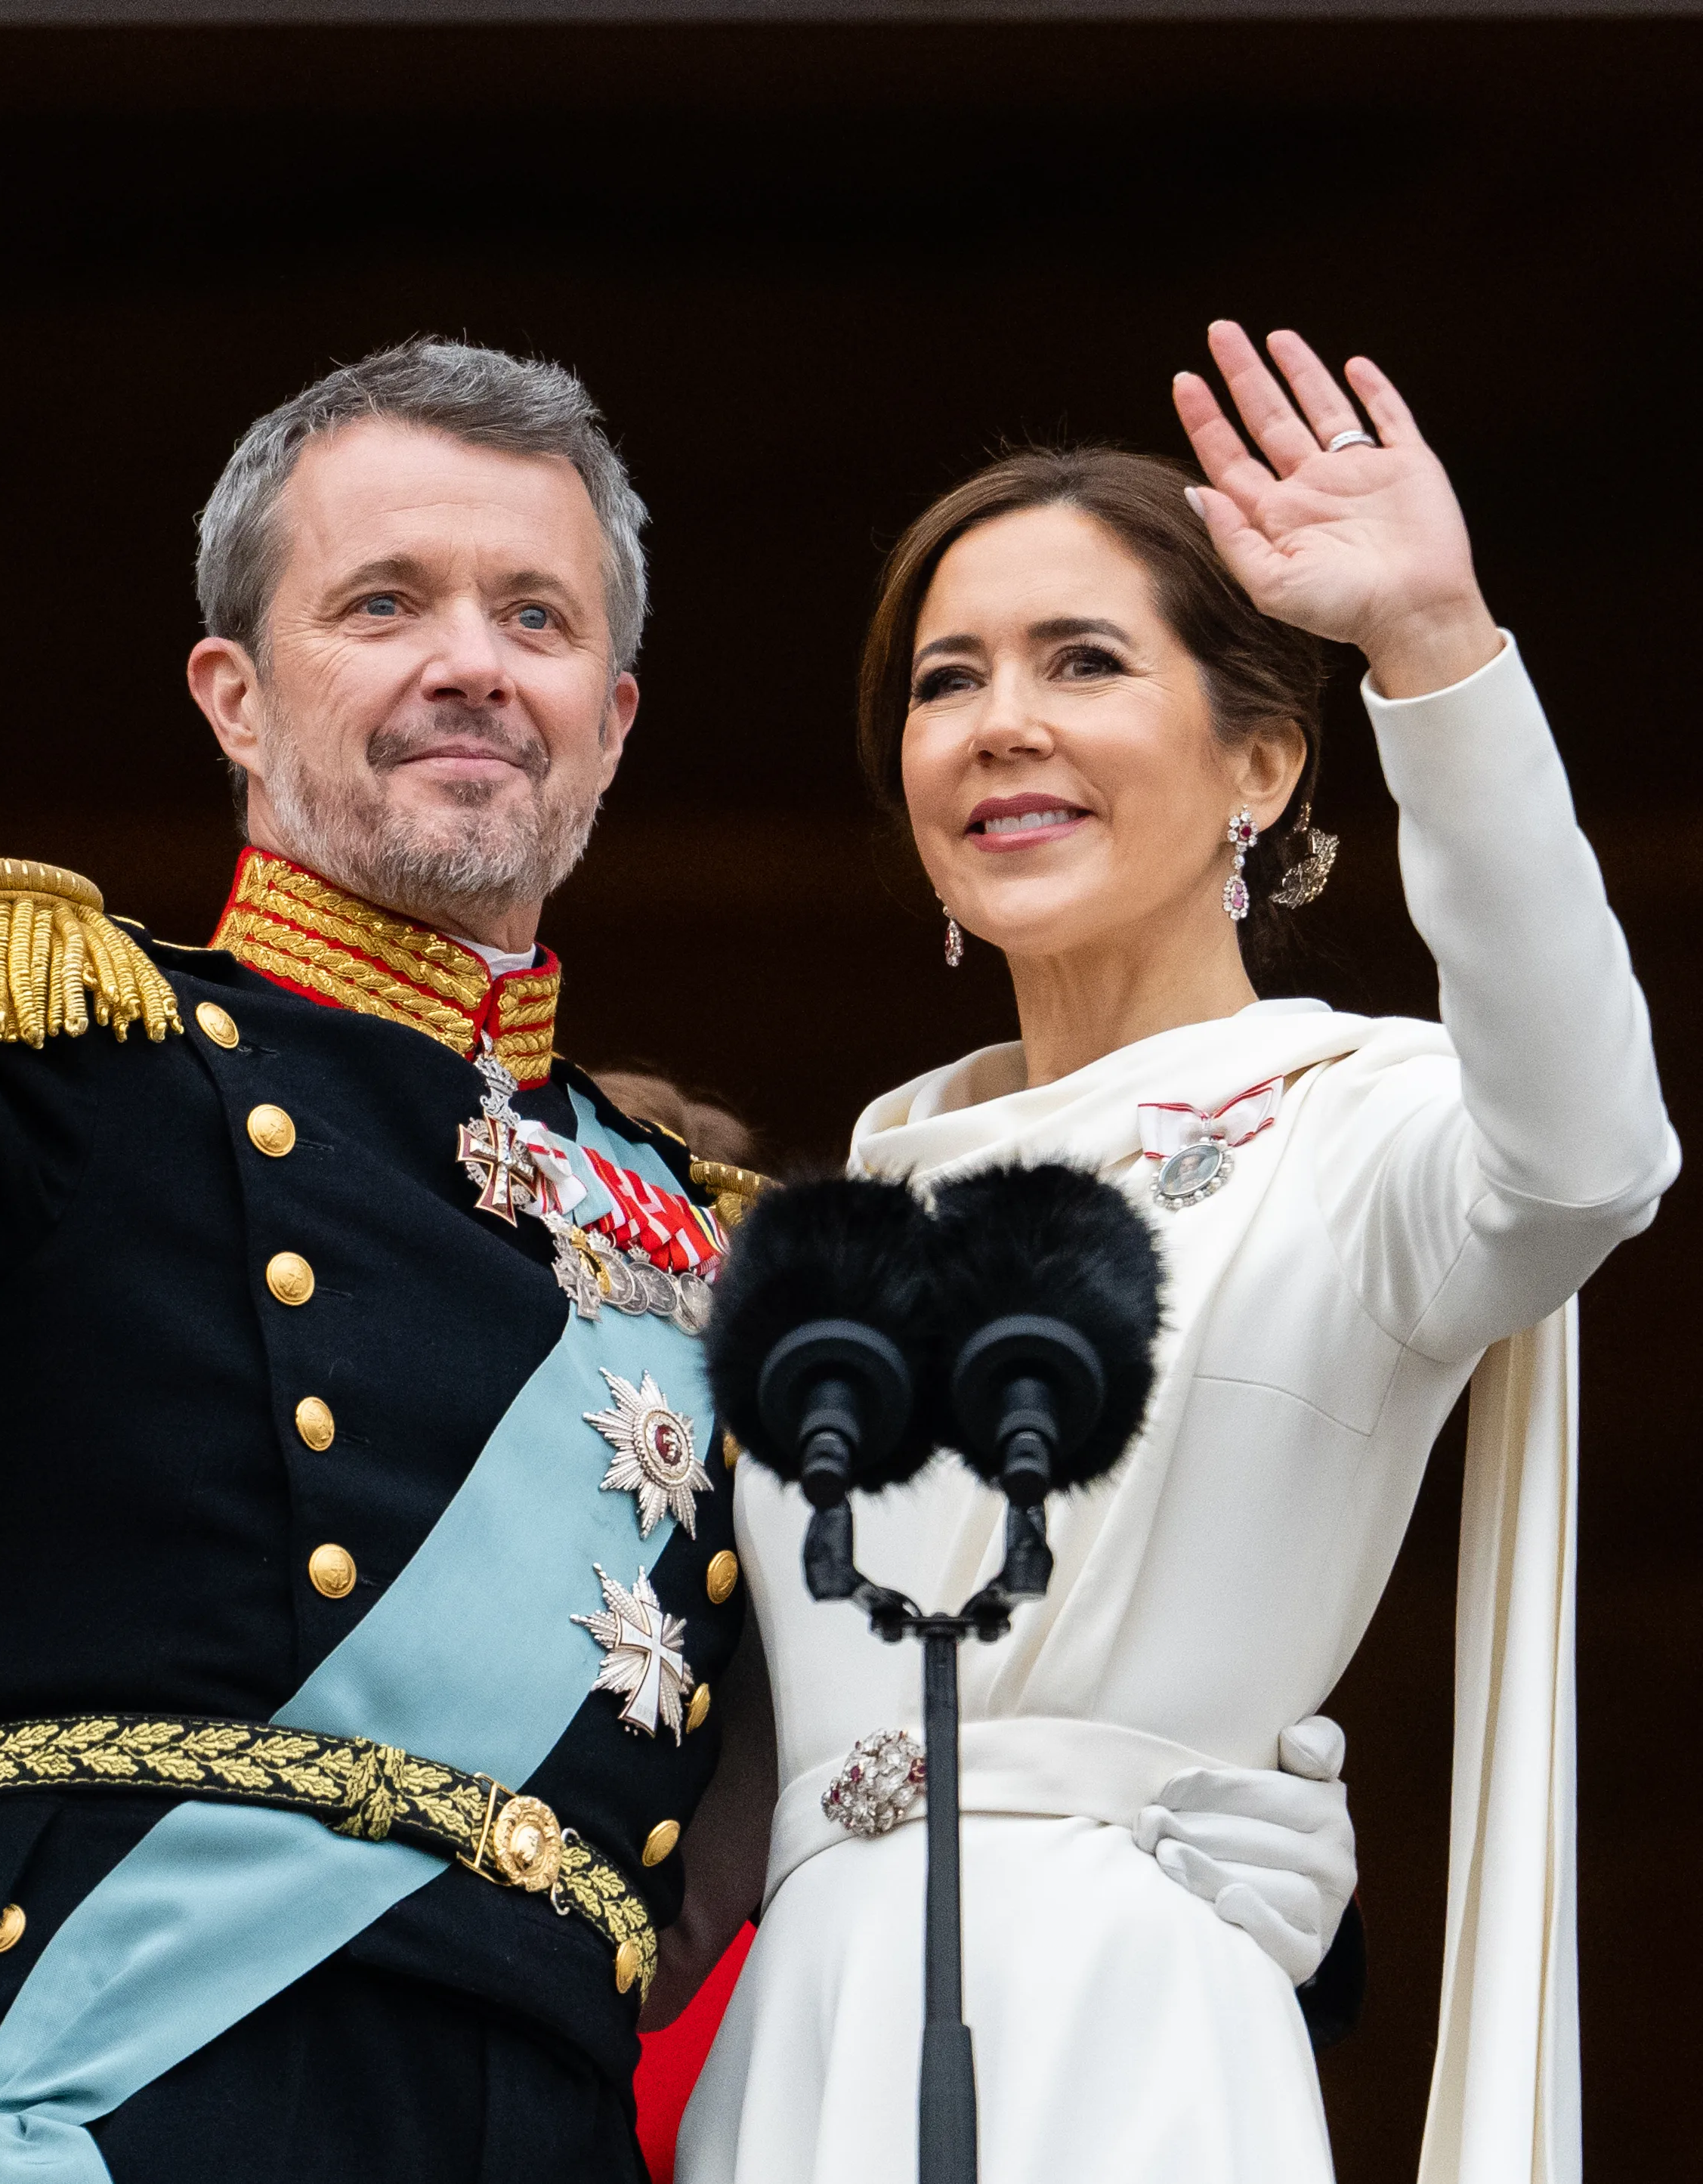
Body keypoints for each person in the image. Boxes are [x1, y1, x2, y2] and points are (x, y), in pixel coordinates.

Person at [0, 245, 1365, 2184]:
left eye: (533, 615)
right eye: (384, 603)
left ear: (612, 718)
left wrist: (1194, 1871)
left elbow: (888, 1725)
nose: (470, 660)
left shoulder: (731, 1259)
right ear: (233, 692)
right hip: (134, 2110)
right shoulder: (60, 1061)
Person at [678, 329, 1677, 2184]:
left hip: (1129, 2033)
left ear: (1264, 762)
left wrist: (1437, 647)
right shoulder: (821, 1232)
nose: (1000, 723)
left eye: (1085, 662)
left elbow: (1590, 1158)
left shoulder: (1360, 1132)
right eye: (945, 679)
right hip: (798, 2041)